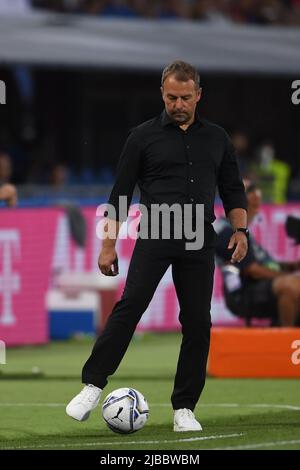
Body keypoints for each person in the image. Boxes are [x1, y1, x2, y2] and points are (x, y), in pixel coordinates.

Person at [66, 60, 248, 431]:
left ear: (199, 95)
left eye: (184, 97)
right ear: (161, 94)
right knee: (129, 307)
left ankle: (184, 408)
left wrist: (241, 231)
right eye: (170, 97)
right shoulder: (142, 136)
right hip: (155, 235)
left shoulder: (217, 138)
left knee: (197, 322)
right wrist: (107, 246)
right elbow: (120, 194)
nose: (178, 104)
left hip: (199, 240)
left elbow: (233, 190)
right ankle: (92, 385)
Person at [215, 179, 300, 326]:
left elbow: (266, 265)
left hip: (262, 285)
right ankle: (285, 342)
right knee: (291, 286)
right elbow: (252, 270)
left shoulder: (242, 232)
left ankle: (281, 333)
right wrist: (287, 276)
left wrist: (292, 266)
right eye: (253, 204)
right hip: (244, 291)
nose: (257, 209)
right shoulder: (225, 231)